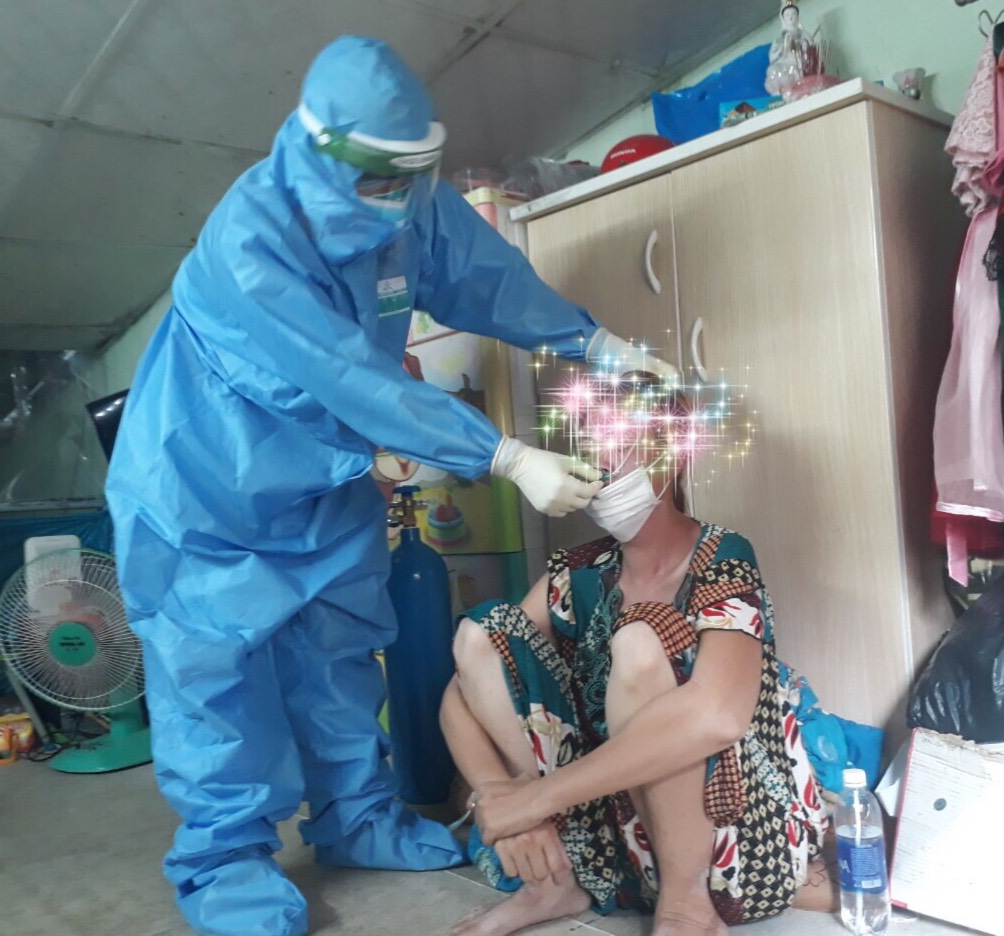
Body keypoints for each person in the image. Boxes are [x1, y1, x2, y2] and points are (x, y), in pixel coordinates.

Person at [104, 35, 677, 936]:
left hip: (322, 476)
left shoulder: (407, 201)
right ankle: (225, 860)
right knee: (216, 678)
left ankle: (358, 819)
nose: (403, 202)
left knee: (340, 651)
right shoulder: (251, 242)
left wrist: (590, 342)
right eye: (382, 180)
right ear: (322, 154)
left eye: (418, 176)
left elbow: (486, 280)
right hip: (203, 488)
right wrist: (504, 456)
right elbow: (354, 380)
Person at [440, 386, 835, 936]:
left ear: (672, 452)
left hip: (734, 839)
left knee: (640, 638)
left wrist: (535, 799)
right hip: (615, 844)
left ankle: (687, 909)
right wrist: (501, 800)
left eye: (616, 438)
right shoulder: (578, 572)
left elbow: (719, 716)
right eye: (588, 442)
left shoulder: (722, 556)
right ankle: (554, 880)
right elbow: (465, 686)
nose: (597, 459)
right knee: (480, 632)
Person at [765, 2, 818, 98]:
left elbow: (811, 50)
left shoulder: (804, 35)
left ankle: (796, 89)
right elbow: (773, 56)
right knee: (772, 70)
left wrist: (800, 44)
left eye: (793, 14)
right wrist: (783, 45)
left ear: (798, 16)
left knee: (795, 71)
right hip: (784, 63)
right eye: (787, 15)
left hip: (798, 62)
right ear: (783, 18)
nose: (790, 17)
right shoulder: (779, 39)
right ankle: (780, 93)